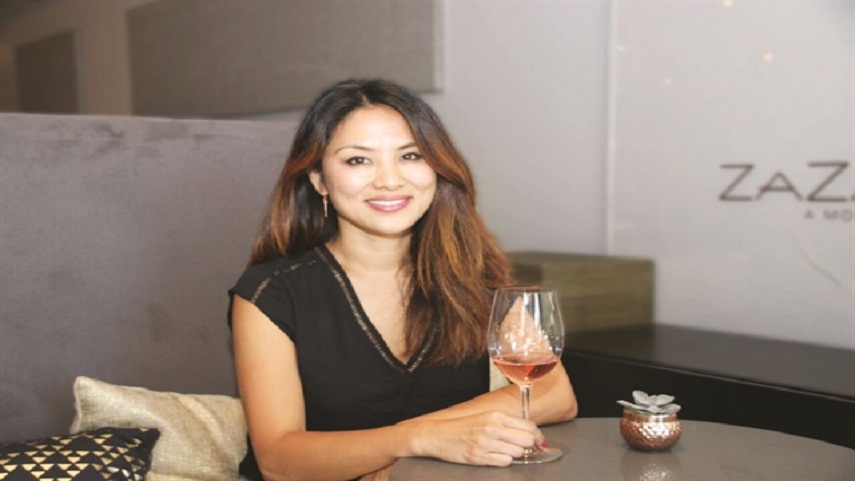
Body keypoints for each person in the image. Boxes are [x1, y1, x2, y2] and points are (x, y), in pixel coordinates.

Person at [228, 78, 577, 481]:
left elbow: (555, 394)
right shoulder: (271, 292)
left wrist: (411, 444)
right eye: (358, 160)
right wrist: (419, 439)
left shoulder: (472, 276)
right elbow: (278, 460)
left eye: (410, 156)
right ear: (319, 179)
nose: (390, 180)